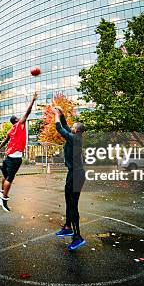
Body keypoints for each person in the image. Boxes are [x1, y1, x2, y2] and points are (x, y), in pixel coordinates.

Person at [0, 91, 38, 212]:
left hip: (8, 155)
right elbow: (28, 112)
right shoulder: (20, 124)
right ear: (16, 120)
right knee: (9, 178)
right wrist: (33, 100)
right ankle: (4, 199)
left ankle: (1, 191)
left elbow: (5, 140)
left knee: (4, 175)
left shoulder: (10, 130)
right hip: (15, 157)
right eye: (18, 118)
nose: (21, 118)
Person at [52, 106, 87, 251]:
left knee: (73, 205)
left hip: (77, 174)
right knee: (68, 200)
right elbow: (65, 125)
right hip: (73, 173)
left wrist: (55, 115)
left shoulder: (75, 139)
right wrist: (61, 113)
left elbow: (60, 129)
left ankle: (78, 237)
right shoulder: (74, 136)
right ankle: (68, 227)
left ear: (77, 130)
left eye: (73, 126)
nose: (71, 127)